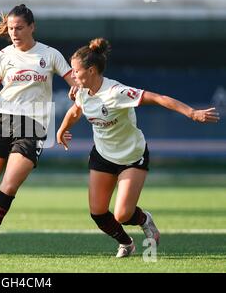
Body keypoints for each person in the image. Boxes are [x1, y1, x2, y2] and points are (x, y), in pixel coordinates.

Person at [56, 38, 220, 258]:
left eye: (75, 71)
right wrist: (62, 129)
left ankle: (144, 220)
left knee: (123, 214)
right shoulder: (82, 91)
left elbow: (157, 98)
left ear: (92, 70)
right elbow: (76, 111)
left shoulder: (116, 92)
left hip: (131, 156)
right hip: (103, 155)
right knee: (98, 213)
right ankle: (126, 243)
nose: (72, 76)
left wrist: (191, 112)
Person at [0, 4, 75, 256]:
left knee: (9, 185)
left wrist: (76, 89)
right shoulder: (3, 56)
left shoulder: (50, 55)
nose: (14, 33)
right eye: (11, 29)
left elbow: (75, 82)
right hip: (1, 121)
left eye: (19, 28)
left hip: (33, 126)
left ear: (32, 27)